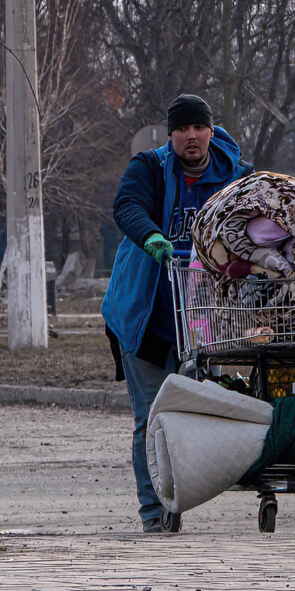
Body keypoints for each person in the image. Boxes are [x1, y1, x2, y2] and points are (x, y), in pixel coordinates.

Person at [102, 93, 251, 533]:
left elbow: (256, 216)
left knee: (187, 415)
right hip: (144, 313)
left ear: (210, 131)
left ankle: (175, 499)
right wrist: (150, 235)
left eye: (198, 128)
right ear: (171, 135)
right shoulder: (149, 168)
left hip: (201, 319)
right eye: (182, 129)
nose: (191, 136)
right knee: (151, 416)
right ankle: (155, 513)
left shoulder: (234, 176)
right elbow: (126, 205)